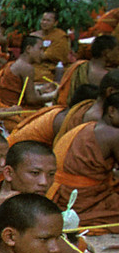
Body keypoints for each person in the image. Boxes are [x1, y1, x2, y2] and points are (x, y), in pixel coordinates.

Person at [50, 74, 119, 231]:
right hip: (82, 198)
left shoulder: (87, 126)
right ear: (112, 111)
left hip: (59, 193)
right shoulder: (113, 134)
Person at [0, 37, 50, 113]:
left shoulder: (14, 63)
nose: (42, 53)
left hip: (4, 105)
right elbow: (31, 99)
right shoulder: (26, 67)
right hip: (15, 109)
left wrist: (41, 90)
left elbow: (22, 93)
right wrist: (53, 96)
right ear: (28, 49)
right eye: (40, 49)